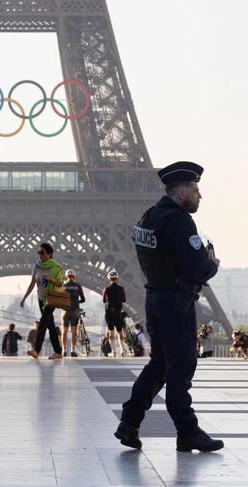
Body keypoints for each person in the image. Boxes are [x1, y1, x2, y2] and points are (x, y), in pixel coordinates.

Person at [115, 161, 224, 452]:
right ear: (181, 193)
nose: (199, 196)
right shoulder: (180, 221)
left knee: (160, 363)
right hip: (176, 302)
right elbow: (195, 268)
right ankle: (187, 431)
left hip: (155, 297)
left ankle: (129, 421)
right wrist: (210, 264)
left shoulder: (149, 216)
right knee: (181, 366)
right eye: (195, 190)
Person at [20, 243, 63, 360]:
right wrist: (24, 297)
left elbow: (61, 283)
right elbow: (32, 283)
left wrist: (51, 279)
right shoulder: (37, 266)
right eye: (39, 252)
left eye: (42, 253)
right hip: (41, 299)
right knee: (51, 326)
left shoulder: (56, 267)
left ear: (50, 254)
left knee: (43, 323)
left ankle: (36, 350)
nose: (40, 255)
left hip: (51, 299)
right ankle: (58, 352)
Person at [103, 271, 127, 357]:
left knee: (111, 333)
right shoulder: (122, 289)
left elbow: (104, 300)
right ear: (117, 278)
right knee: (120, 332)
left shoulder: (106, 288)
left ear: (109, 278)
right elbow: (124, 299)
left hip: (109, 313)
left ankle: (113, 352)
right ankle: (122, 351)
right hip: (118, 312)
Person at [62, 269, 86, 357]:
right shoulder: (78, 286)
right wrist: (77, 301)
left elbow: (60, 297)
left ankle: (63, 350)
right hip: (75, 310)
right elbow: (83, 299)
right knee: (74, 332)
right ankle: (73, 350)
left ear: (66, 276)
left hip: (65, 310)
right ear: (74, 276)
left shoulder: (64, 285)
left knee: (64, 331)